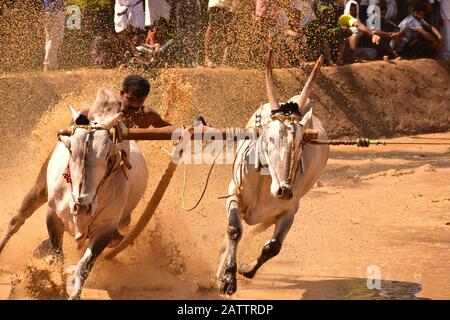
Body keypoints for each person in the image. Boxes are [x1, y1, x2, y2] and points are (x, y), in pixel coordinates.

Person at [0, 75, 174, 255]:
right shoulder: (100, 110)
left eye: (140, 101)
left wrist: (191, 131)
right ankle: (11, 235)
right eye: (130, 99)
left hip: (115, 168)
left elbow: (168, 128)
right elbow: (76, 126)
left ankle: (92, 238)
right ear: (122, 94)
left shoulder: (146, 115)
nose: (135, 105)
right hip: (85, 163)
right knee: (39, 192)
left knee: (122, 223)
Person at [204, 0, 236, 68]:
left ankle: (220, 59)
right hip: (216, 4)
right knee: (212, 29)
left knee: (225, 31)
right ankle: (208, 58)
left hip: (228, 5)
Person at [43, 0, 66, 71]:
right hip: (55, 12)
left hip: (48, 12)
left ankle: (52, 65)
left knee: (50, 39)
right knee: (54, 40)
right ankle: (49, 65)